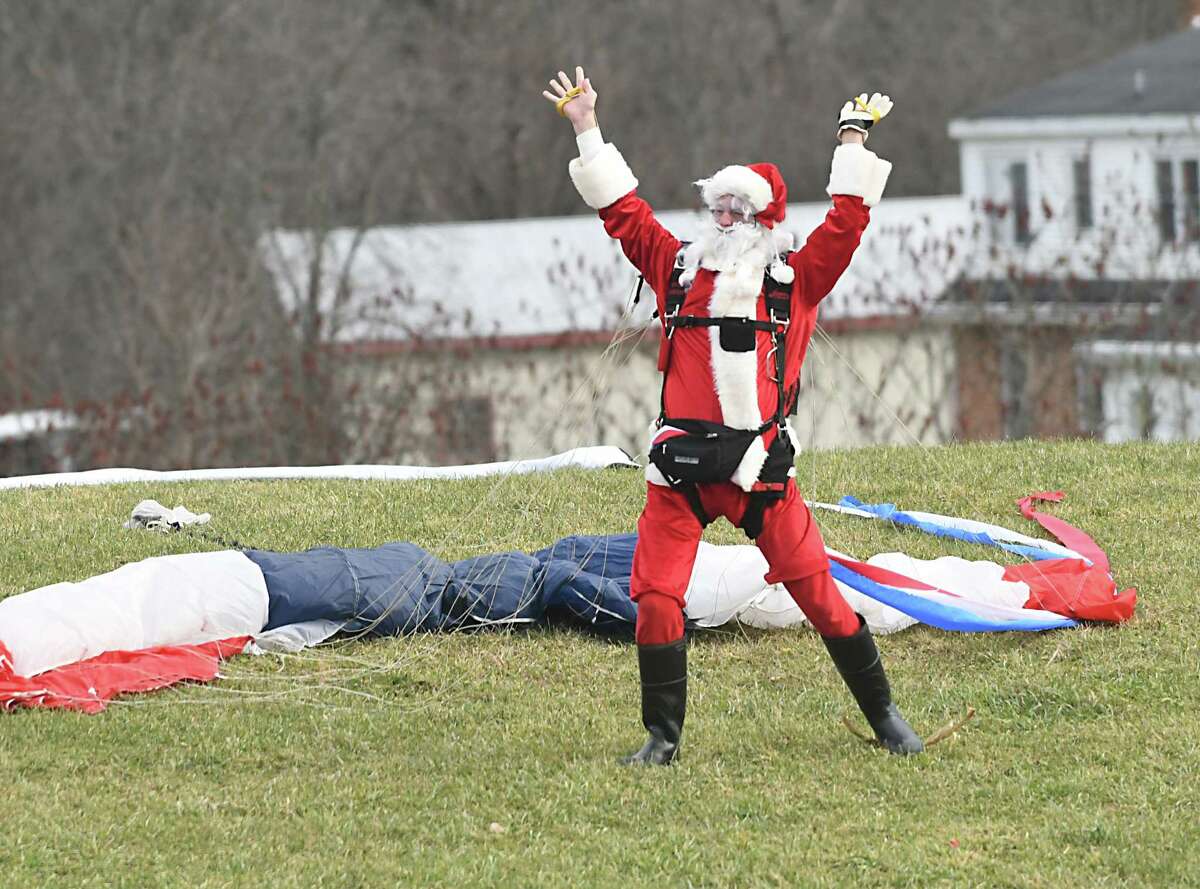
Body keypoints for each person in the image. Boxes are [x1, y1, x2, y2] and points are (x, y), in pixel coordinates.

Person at [544, 67, 923, 762]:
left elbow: (847, 222)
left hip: (761, 473)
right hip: (680, 472)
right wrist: (586, 126)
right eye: (715, 208)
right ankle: (662, 735)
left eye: (736, 212)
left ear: (763, 221)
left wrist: (851, 137)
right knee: (655, 595)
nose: (722, 222)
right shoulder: (677, 268)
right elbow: (623, 213)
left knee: (821, 596)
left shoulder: (796, 282)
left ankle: (886, 714)